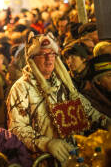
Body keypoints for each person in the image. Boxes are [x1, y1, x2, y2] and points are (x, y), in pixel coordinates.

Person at [7, 30, 110, 165]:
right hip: (44, 161)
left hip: (73, 157)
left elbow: (85, 109)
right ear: (31, 59)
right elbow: (17, 128)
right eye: (43, 54)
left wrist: (106, 122)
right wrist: (46, 143)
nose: (49, 58)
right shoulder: (21, 88)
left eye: (52, 54)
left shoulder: (63, 82)